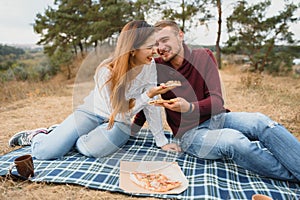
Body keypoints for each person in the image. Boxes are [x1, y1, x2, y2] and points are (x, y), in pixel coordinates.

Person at [132, 20, 300, 182]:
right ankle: (294, 174)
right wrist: (132, 131)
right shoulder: (156, 67)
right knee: (234, 140)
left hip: (218, 118)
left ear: (180, 36)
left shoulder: (203, 56)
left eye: (165, 40)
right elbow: (149, 99)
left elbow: (217, 102)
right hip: (189, 134)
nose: (160, 48)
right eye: (156, 43)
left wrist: (189, 107)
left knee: (261, 122)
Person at [8, 20, 178, 159]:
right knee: (46, 152)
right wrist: (147, 95)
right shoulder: (106, 71)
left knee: (90, 149)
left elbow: (149, 107)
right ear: (133, 49)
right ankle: (39, 135)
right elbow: (117, 112)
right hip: (93, 113)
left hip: (120, 123)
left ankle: (65, 135)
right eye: (149, 47)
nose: (155, 51)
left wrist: (161, 141)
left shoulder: (150, 65)